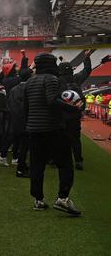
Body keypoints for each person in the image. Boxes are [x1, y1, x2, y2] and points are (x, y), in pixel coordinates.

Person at [23, 53, 81, 215]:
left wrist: (29, 125)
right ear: (51, 64)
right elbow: (52, 101)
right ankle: (63, 199)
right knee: (65, 164)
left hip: (34, 129)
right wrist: (73, 108)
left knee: (37, 165)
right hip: (52, 128)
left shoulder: (29, 81)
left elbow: (26, 108)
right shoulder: (51, 79)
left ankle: (38, 200)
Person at [57, 49, 92, 170]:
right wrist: (86, 58)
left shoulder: (57, 81)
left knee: (61, 139)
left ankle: (60, 160)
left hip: (61, 116)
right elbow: (87, 71)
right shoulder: (76, 79)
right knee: (76, 139)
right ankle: (78, 161)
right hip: (75, 115)